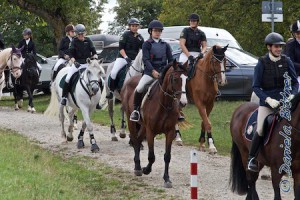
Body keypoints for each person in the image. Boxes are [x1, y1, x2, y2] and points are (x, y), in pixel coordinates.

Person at [247, 32, 299, 172]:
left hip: (286, 101)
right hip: (268, 102)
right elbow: (256, 87)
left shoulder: (286, 60)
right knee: (260, 128)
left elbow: (295, 83)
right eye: (276, 47)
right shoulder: (262, 62)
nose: (279, 49)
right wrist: (268, 99)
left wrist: (291, 96)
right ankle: (252, 158)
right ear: (269, 47)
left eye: (280, 47)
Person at [129, 20, 173, 122]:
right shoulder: (147, 44)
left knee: (174, 88)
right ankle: (135, 111)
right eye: (155, 30)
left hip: (163, 73)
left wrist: (168, 71)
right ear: (150, 31)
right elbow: (146, 60)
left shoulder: (165, 45)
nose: (157, 32)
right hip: (150, 73)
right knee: (139, 88)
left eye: (159, 31)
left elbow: (171, 60)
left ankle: (177, 111)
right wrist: (153, 71)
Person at [60, 24, 98, 106]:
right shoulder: (74, 41)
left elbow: (94, 52)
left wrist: (95, 57)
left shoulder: (88, 40)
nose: (81, 36)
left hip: (88, 64)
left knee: (99, 79)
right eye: (79, 34)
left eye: (82, 34)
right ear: (76, 34)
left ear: (85, 33)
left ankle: (98, 100)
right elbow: (71, 54)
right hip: (77, 64)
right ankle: (64, 97)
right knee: (68, 78)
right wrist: (74, 62)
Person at [106, 18, 144, 99]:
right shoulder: (125, 35)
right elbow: (121, 48)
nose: (134, 27)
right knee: (114, 72)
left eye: (136, 26)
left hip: (134, 60)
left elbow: (142, 50)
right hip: (123, 58)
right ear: (129, 27)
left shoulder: (140, 38)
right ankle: (112, 91)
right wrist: (126, 57)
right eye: (133, 26)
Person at [285, 19, 300, 91]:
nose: (299, 35)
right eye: (298, 33)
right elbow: (290, 62)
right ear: (294, 34)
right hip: (296, 75)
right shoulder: (290, 45)